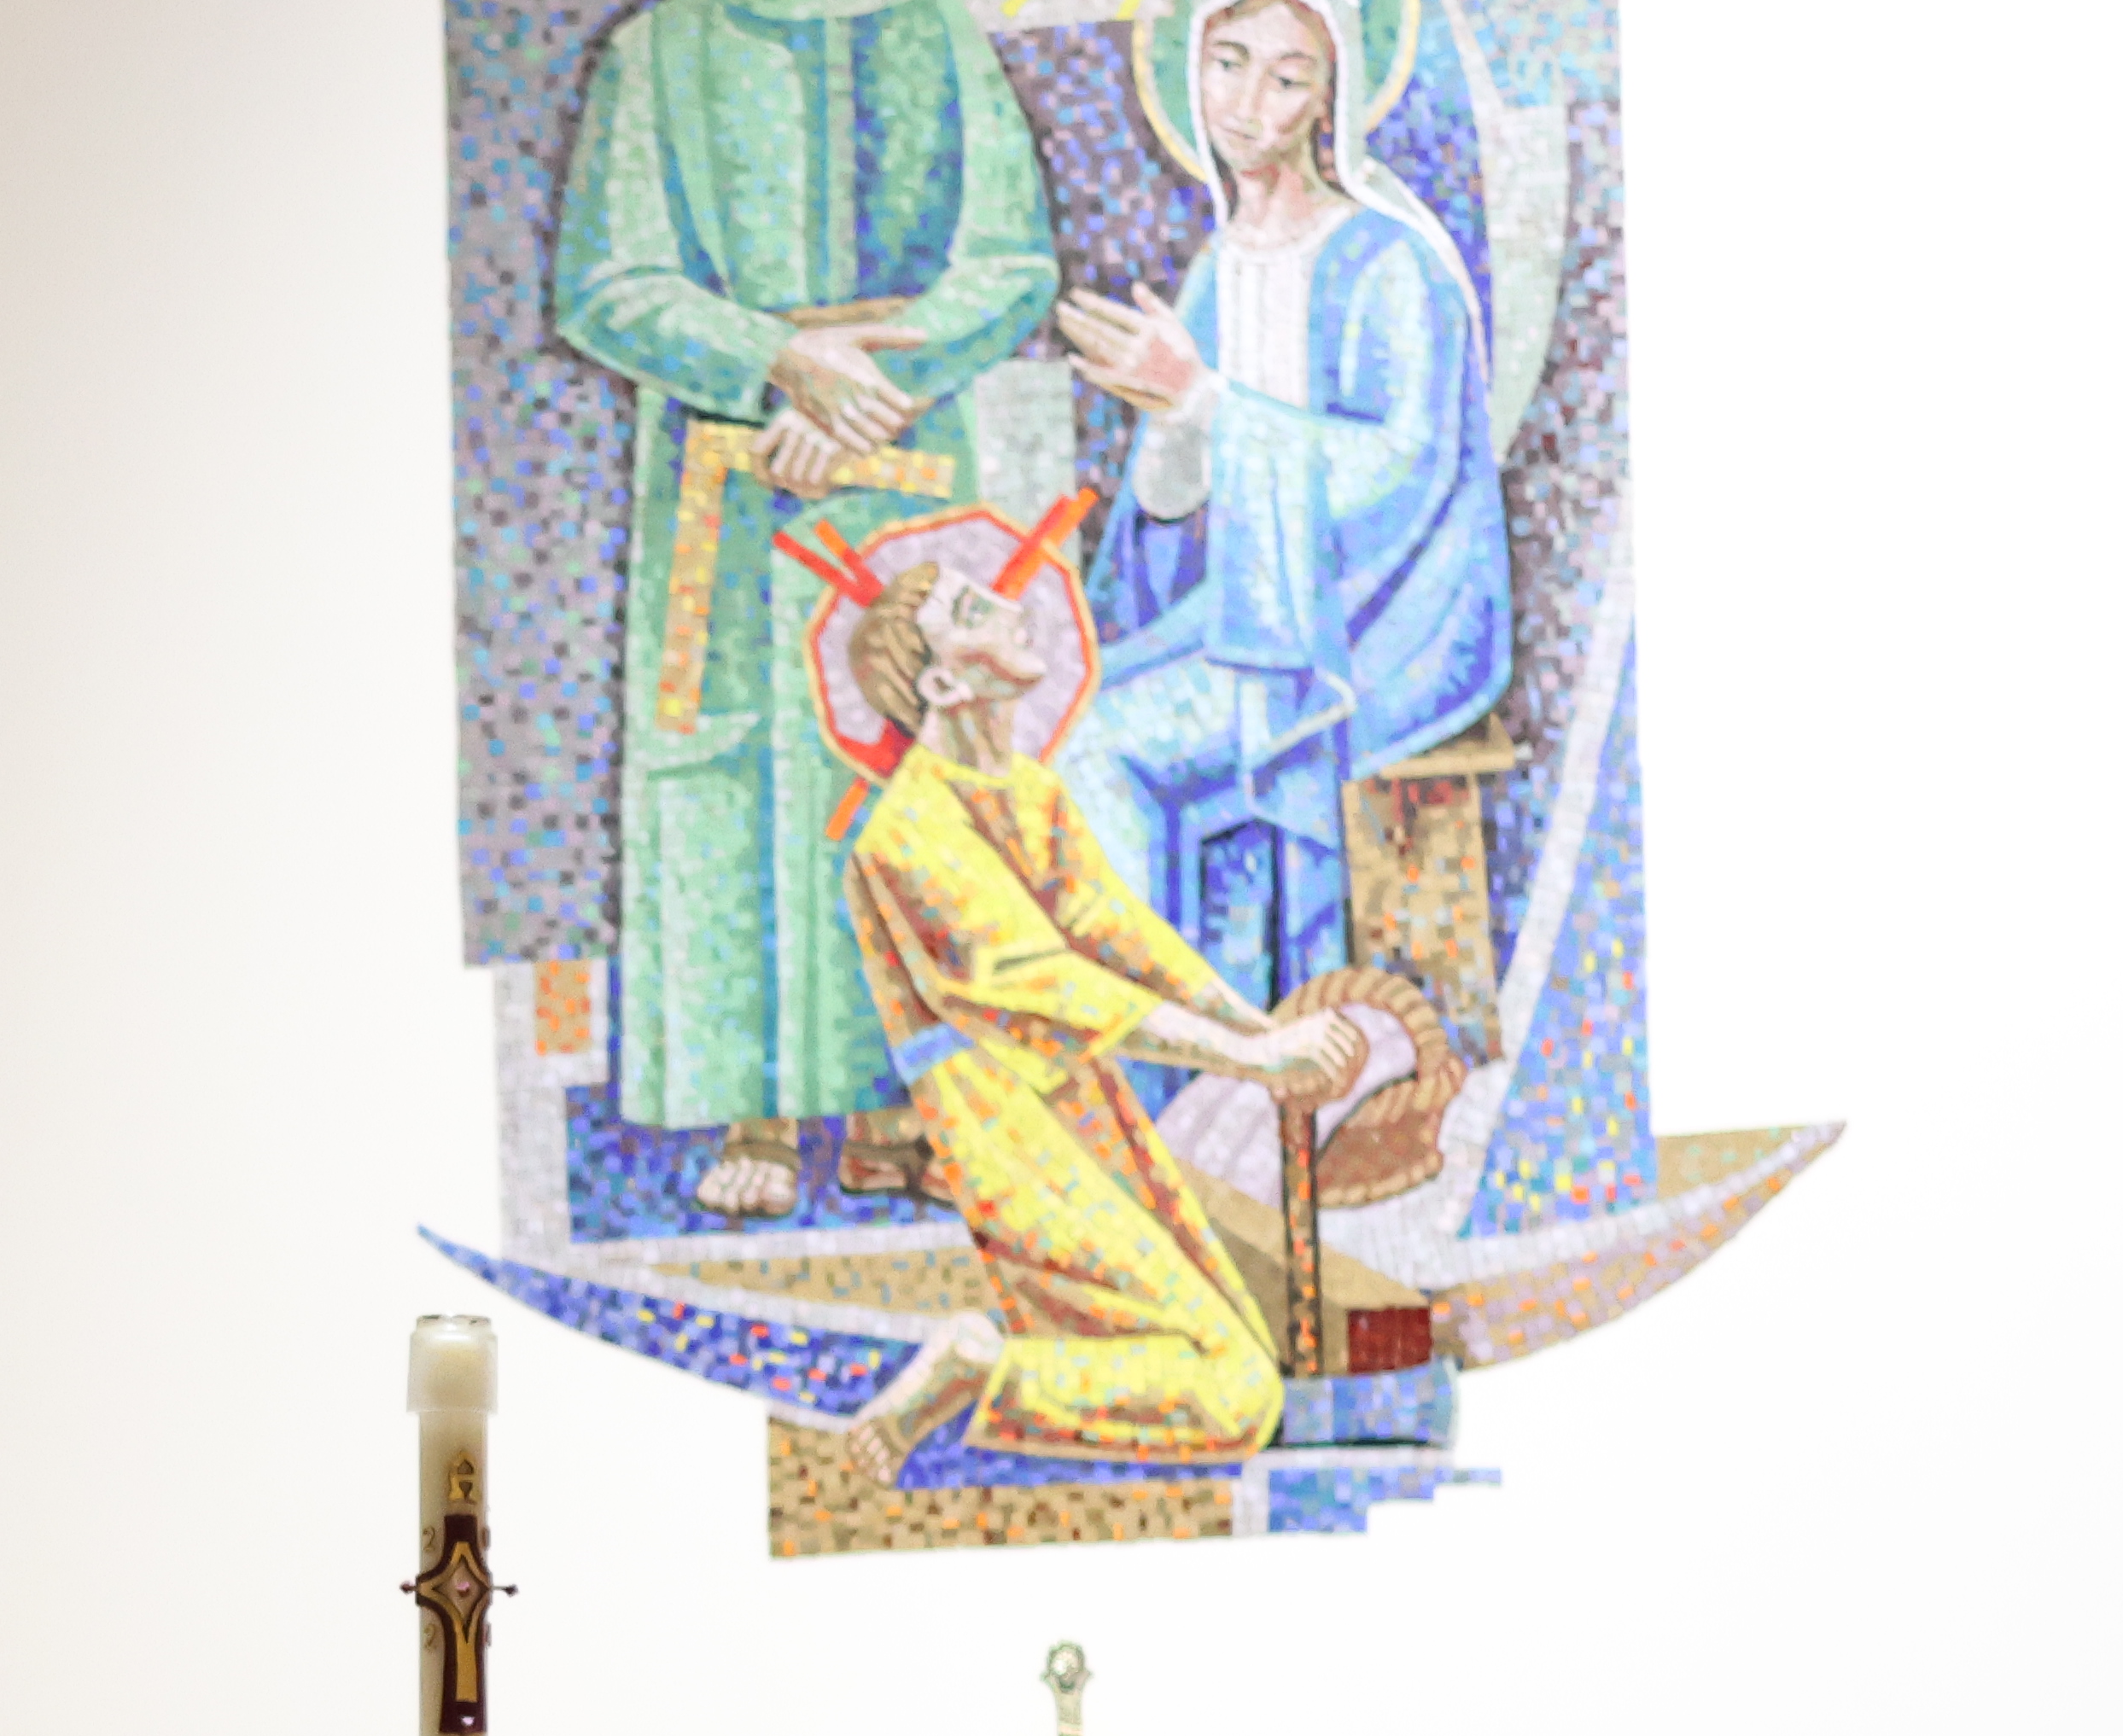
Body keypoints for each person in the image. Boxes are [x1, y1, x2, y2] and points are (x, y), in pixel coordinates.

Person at [548, 0, 1059, 1220]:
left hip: (902, 464)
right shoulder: (659, 50)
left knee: (897, 762)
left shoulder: (937, 38)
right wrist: (773, 360)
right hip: (722, 483)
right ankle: (757, 1110)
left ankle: (901, 1100)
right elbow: (607, 282)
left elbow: (1011, 264)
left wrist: (862, 382)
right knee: (734, 781)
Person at [819, 538, 1364, 1479]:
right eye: (970, 612)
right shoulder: (906, 834)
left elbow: (1120, 932)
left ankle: (1012, 1361)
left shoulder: (1029, 789)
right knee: (1237, 1393)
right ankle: (984, 1363)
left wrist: (1259, 1029)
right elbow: (1053, 983)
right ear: (944, 687)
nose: (1003, 603)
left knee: (1229, 1354)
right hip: (1008, 1135)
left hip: (1086, 1112)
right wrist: (1258, 1064)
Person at [1061, 0, 1511, 1016]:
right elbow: (1169, 521)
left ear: (1329, 101)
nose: (1247, 103)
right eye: (1226, 64)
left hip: (1372, 622)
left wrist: (1206, 402)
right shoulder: (1218, 268)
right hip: (1243, 619)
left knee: (1094, 742)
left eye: (1286, 77)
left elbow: (1405, 472)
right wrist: (1176, 424)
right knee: (1054, 713)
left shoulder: (1388, 261)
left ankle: (1165, 1054)